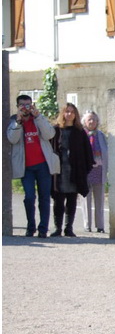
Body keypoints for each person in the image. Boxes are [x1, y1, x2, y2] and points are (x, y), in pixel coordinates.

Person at [7, 95, 57, 238]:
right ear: (17, 107)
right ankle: (30, 227)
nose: (26, 108)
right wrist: (18, 121)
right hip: (26, 167)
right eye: (22, 105)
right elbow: (12, 139)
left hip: (43, 165)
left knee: (45, 197)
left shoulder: (38, 119)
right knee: (29, 197)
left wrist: (39, 117)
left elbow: (49, 134)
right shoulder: (13, 121)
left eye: (28, 105)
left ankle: (43, 229)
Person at [50, 103, 92, 237]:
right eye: (67, 111)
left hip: (74, 170)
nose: (69, 114)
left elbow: (87, 152)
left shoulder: (79, 132)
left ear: (76, 115)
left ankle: (69, 228)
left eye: (72, 112)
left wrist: (84, 168)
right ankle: (57, 228)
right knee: (58, 200)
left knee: (72, 200)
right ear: (62, 113)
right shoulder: (55, 130)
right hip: (59, 170)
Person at [81, 110, 108, 233]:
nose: (92, 122)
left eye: (94, 119)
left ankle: (100, 225)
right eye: (89, 119)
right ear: (84, 122)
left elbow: (105, 152)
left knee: (99, 199)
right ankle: (87, 224)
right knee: (85, 199)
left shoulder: (101, 135)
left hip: (99, 170)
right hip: (85, 171)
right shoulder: (81, 135)